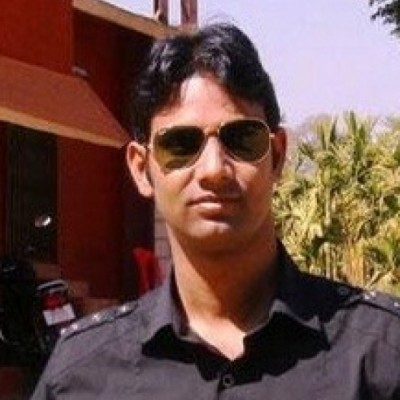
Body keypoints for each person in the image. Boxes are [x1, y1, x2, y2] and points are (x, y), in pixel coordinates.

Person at [31, 22, 400, 399]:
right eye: (180, 143)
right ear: (142, 169)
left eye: (241, 139)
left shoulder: (381, 357)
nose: (213, 170)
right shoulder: (82, 375)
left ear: (276, 156)